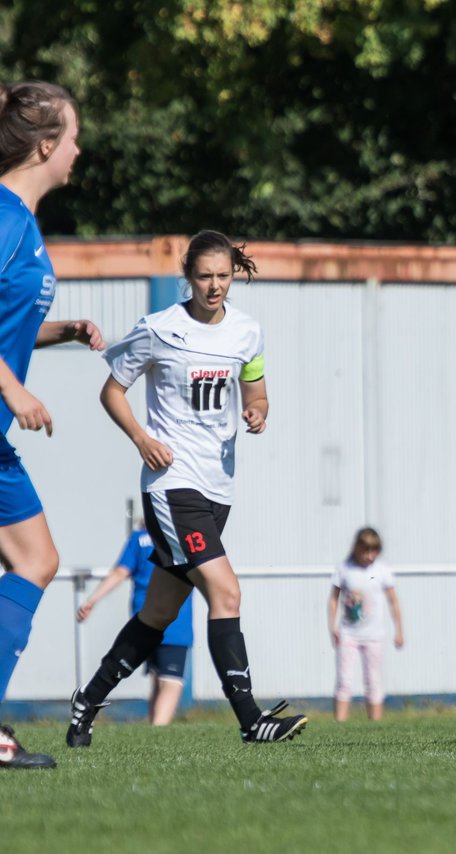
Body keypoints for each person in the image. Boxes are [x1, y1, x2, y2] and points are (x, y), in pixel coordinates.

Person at [67, 229, 307, 747]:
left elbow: (258, 391)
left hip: (218, 488)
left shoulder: (247, 333)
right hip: (173, 485)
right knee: (226, 591)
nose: (214, 286)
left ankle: (86, 701)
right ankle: (250, 719)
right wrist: (141, 439)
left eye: (223, 276)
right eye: (204, 276)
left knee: (158, 612)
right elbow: (112, 392)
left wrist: (257, 412)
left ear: (233, 275)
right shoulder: (159, 329)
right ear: (188, 276)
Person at [1, 80, 103, 770]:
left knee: (36, 559)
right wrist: (14, 392)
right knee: (34, 560)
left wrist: (56, 331)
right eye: (71, 135)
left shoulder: (24, 223)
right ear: (45, 145)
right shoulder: (4, 217)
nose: (78, 148)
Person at [76, 523, 195, 724]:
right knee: (171, 683)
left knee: (158, 680)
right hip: (176, 622)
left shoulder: (139, 539)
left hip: (143, 620)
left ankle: (152, 729)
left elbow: (119, 572)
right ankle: (159, 732)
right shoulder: (184, 536)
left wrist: (92, 600)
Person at [329, 527, 404, 721]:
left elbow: (393, 601)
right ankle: (340, 722)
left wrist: (399, 631)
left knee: (373, 681)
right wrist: (333, 627)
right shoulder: (345, 569)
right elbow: (334, 600)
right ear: (357, 548)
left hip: (374, 635)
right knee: (344, 680)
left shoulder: (382, 571)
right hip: (349, 633)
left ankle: (375, 723)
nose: (369, 555)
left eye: (374, 551)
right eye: (365, 550)